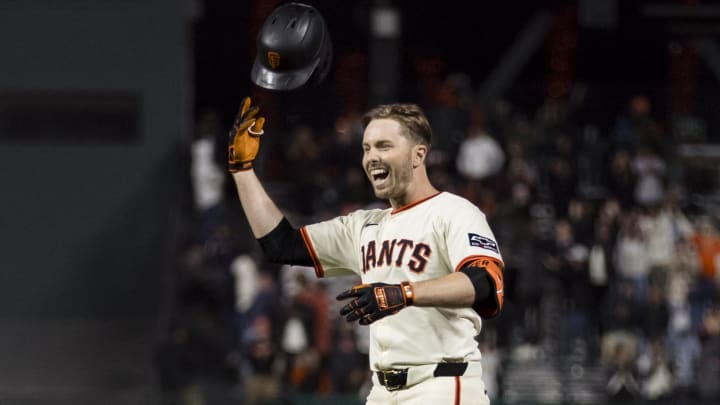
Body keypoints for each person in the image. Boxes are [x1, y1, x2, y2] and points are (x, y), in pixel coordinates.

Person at [227, 96, 505, 404]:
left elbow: (486, 282)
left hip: (440, 384)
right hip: (381, 391)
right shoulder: (363, 225)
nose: (371, 156)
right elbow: (280, 245)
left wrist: (404, 293)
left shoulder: (454, 211)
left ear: (418, 154)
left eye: (384, 146)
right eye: (366, 148)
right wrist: (243, 171)